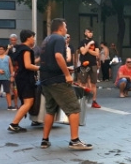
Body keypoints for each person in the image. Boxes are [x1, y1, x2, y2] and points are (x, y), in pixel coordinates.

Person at [38, 18, 93, 150]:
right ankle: (74, 140)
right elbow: (58, 56)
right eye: (66, 27)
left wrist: (64, 69)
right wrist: (67, 74)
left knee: (50, 110)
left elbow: (49, 59)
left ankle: (45, 140)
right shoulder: (59, 39)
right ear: (61, 28)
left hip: (46, 80)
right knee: (74, 108)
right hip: (57, 80)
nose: (67, 29)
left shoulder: (47, 40)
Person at [8, 30, 39, 132]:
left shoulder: (16, 48)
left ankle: (35, 120)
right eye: (33, 37)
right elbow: (28, 65)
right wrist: (40, 68)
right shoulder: (26, 50)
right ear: (29, 38)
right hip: (26, 78)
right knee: (28, 102)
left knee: (27, 101)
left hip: (19, 77)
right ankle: (14, 123)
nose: (34, 39)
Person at [78, 28, 101, 108]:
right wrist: (89, 45)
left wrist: (87, 49)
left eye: (91, 32)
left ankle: (94, 101)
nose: (90, 34)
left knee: (93, 83)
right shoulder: (82, 42)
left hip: (93, 64)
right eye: (88, 32)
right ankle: (82, 100)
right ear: (85, 33)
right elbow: (83, 52)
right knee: (83, 83)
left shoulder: (95, 42)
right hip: (84, 65)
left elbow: (97, 54)